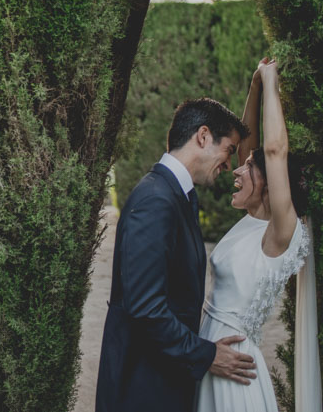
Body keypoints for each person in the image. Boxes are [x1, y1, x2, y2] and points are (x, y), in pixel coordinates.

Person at [95, 98, 257, 412]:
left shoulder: (178, 195)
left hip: (162, 381)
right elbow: (146, 308)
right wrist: (207, 355)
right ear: (203, 136)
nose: (228, 165)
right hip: (140, 389)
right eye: (228, 149)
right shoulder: (155, 200)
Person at [195, 58, 322, 412]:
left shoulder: (280, 232)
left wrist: (272, 83)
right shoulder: (252, 219)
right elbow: (248, 145)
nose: (236, 168)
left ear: (269, 184)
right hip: (210, 356)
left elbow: (273, 151)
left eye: (248, 168)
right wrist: (255, 85)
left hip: (233, 368)